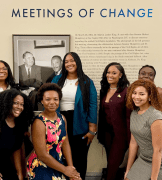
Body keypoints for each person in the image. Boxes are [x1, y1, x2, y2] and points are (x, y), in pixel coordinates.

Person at [52, 52, 97, 180]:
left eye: (72, 60)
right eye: (66, 61)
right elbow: (49, 98)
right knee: (61, 156)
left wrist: (92, 130)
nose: (69, 64)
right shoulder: (57, 80)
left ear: (77, 62)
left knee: (79, 158)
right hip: (60, 121)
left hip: (80, 123)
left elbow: (93, 105)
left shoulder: (87, 82)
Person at [27, 83, 81, 180]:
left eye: (55, 99)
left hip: (59, 164)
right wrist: (65, 170)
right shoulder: (39, 122)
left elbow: (65, 143)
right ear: (42, 101)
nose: (52, 102)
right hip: (41, 166)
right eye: (48, 99)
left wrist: (71, 168)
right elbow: (42, 155)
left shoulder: (62, 118)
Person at [125, 79, 162, 180]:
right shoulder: (134, 113)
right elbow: (133, 143)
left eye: (141, 94)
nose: (136, 97)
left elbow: (158, 150)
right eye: (134, 93)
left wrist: (153, 178)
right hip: (144, 158)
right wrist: (128, 169)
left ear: (149, 96)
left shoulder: (155, 117)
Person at [97, 62, 130, 180]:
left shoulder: (126, 91)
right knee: (111, 162)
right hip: (106, 133)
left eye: (114, 73)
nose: (110, 75)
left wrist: (130, 138)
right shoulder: (104, 90)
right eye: (108, 72)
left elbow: (128, 116)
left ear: (120, 75)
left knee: (113, 162)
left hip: (120, 135)